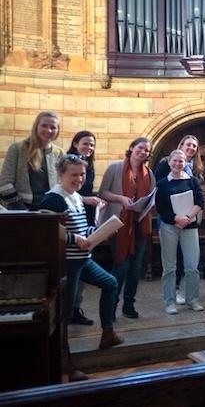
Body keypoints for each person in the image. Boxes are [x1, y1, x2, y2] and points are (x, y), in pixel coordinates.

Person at [39, 154, 123, 350]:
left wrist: (103, 231)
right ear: (61, 174)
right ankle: (63, 359)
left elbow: (83, 230)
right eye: (74, 174)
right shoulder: (53, 199)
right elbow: (47, 231)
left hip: (83, 259)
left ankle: (108, 334)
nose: (79, 179)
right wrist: (76, 239)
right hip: (67, 262)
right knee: (64, 313)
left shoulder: (76, 197)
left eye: (82, 174)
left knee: (110, 283)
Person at [99, 137, 156, 319]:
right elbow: (103, 193)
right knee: (121, 265)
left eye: (147, 150)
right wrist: (121, 199)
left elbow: (151, 197)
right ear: (132, 148)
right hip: (119, 224)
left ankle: (129, 304)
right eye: (140, 148)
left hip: (140, 224)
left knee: (135, 268)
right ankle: (112, 306)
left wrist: (144, 205)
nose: (143, 152)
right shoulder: (115, 167)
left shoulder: (149, 173)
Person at [154, 135, 204, 304]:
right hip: (169, 225)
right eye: (175, 161)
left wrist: (187, 218)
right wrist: (176, 218)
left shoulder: (192, 180)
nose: (178, 164)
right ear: (169, 163)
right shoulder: (162, 183)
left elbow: (199, 202)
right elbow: (160, 206)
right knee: (170, 267)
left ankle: (192, 300)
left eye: (181, 162)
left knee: (191, 267)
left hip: (189, 226)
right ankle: (170, 301)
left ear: (185, 163)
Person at [67, 131, 105, 326]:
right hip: (71, 218)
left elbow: (85, 191)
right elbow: (65, 192)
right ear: (75, 144)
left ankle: (75, 309)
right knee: (73, 268)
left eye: (92, 145)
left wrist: (95, 202)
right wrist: (86, 199)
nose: (89, 148)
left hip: (86, 216)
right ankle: (68, 311)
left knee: (81, 264)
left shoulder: (88, 166)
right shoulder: (67, 163)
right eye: (86, 144)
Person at [0, 111, 64, 210]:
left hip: (49, 210)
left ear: (58, 130)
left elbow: (62, 183)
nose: (48, 130)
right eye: (44, 126)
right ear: (36, 127)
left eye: (53, 127)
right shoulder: (17, 148)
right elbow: (5, 183)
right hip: (21, 208)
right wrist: (20, 208)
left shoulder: (60, 153)